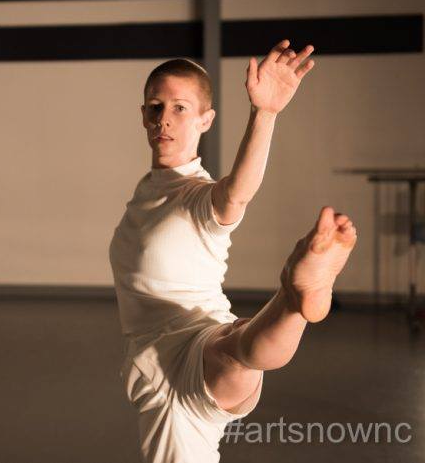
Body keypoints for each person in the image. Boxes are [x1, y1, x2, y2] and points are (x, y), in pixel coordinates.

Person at [109, 40, 357, 462]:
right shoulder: (151, 190)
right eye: (155, 107)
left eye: (180, 108)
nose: (164, 119)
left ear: (206, 120)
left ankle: (294, 300)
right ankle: (291, 301)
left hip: (196, 340)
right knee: (238, 351)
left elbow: (238, 193)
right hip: (164, 353)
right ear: (143, 116)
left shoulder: (198, 196)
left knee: (235, 349)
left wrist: (265, 114)